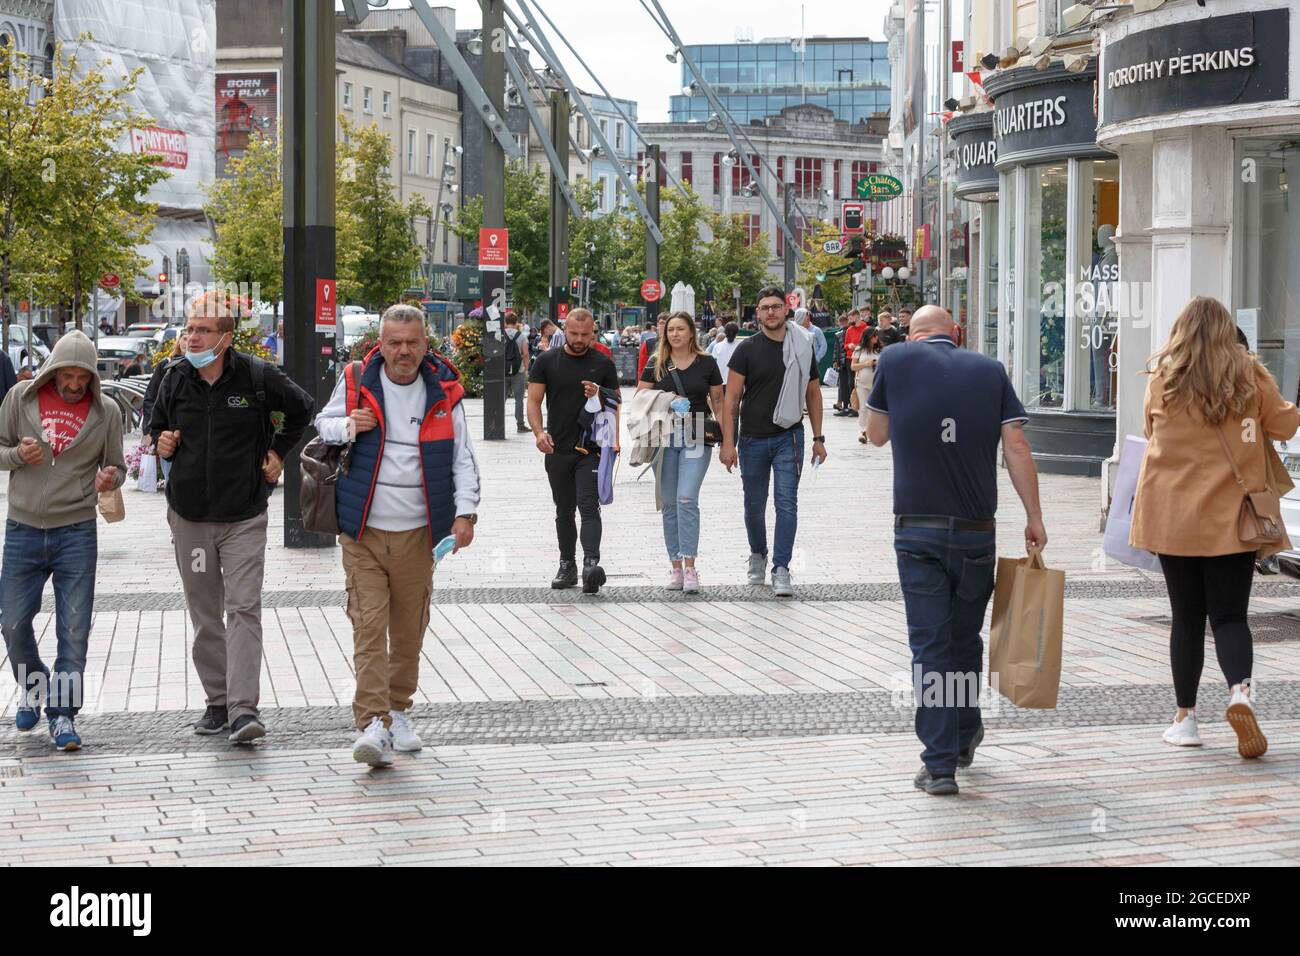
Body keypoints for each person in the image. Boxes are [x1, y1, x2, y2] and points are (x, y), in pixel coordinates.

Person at [865, 306, 1044, 796]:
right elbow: (1017, 446)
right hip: (975, 533)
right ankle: (964, 735)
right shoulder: (990, 371)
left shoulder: (895, 359)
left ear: (913, 333)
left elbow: (876, 435)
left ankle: (940, 763)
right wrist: (1035, 516)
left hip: (917, 530)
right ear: (955, 334)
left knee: (931, 646)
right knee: (964, 641)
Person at [1131, 296, 1299, 759]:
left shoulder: (1163, 379)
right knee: (1230, 616)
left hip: (1172, 516)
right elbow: (1286, 426)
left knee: (1186, 618)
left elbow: (1149, 431)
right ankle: (1239, 693)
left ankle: (1185, 719)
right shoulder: (1249, 374)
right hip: (1233, 517)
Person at [313, 304, 480, 768]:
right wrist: (349, 425)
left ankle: (400, 710)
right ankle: (371, 724)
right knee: (369, 627)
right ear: (380, 344)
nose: (403, 351)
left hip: (419, 533)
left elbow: (462, 458)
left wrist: (466, 513)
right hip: (363, 531)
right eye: (394, 343)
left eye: (412, 342)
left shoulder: (444, 392)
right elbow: (321, 424)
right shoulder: (356, 380)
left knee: (408, 630)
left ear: (426, 343)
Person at [151, 291, 314, 744]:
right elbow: (156, 421)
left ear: (225, 338)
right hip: (191, 517)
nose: (191, 337)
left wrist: (279, 452)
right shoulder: (173, 376)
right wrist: (161, 440)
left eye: (202, 330)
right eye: (189, 329)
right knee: (206, 613)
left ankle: (244, 711)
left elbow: (302, 407)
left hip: (243, 515)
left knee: (243, 608)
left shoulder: (257, 376)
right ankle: (217, 703)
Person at [1, 332, 126, 751]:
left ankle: (62, 715)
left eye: (81, 377)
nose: (73, 384)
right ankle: (34, 686)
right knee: (13, 622)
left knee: (74, 630)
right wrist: (19, 455)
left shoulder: (106, 411)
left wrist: (110, 477)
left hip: (76, 531)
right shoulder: (20, 398)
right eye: (66, 376)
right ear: (52, 370)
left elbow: (117, 466)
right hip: (22, 529)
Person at [719, 286, 826, 598]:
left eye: (776, 307)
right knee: (754, 506)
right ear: (757, 313)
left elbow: (813, 393)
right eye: (765, 307)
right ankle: (758, 554)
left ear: (786, 310)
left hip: (789, 436)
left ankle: (781, 567)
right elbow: (731, 399)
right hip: (752, 438)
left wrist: (819, 438)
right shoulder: (746, 349)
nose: (770, 312)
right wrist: (729, 443)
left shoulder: (802, 346)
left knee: (786, 502)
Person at [527, 308, 621, 594]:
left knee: (588, 505)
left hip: (590, 448)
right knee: (564, 510)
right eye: (574, 333)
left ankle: (591, 564)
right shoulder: (546, 361)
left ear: (593, 331)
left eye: (585, 334)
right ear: (564, 330)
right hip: (557, 446)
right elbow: (533, 401)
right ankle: (567, 565)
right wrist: (539, 433)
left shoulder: (603, 363)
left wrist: (600, 394)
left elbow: (616, 402)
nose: (580, 339)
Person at [638, 311, 724, 593]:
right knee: (670, 503)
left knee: (687, 498)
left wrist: (728, 442)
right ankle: (675, 567)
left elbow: (720, 403)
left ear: (691, 332)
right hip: (663, 435)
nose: (674, 334)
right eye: (670, 330)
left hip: (698, 432)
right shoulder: (657, 363)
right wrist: (669, 399)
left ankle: (690, 568)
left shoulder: (707, 363)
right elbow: (640, 398)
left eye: (680, 329)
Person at [852, 326, 881, 443]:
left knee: (874, 408)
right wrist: (866, 364)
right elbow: (853, 366)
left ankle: (871, 430)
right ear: (868, 337)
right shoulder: (859, 349)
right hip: (861, 383)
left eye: (877, 335)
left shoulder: (879, 350)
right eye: (874, 335)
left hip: (876, 383)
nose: (876, 338)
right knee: (863, 407)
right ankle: (863, 431)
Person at [503, 310, 530, 433]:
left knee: (501, 398)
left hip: (502, 371)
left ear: (505, 322)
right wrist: (526, 369)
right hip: (518, 371)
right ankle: (520, 424)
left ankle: (497, 422)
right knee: (519, 399)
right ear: (516, 322)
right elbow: (525, 354)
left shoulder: (500, 335)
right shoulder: (521, 336)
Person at [835, 310, 864, 416]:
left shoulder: (865, 328)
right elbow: (845, 345)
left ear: (857, 316)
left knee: (857, 382)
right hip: (849, 358)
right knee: (848, 383)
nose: (849, 320)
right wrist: (849, 346)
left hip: (861, 358)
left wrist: (858, 346)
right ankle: (849, 406)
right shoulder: (850, 329)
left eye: (851, 318)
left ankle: (856, 407)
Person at [637, 314, 666, 380]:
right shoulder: (648, 343)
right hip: (652, 383)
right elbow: (642, 368)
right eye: (662, 323)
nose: (664, 326)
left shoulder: (677, 344)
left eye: (668, 323)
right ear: (657, 325)